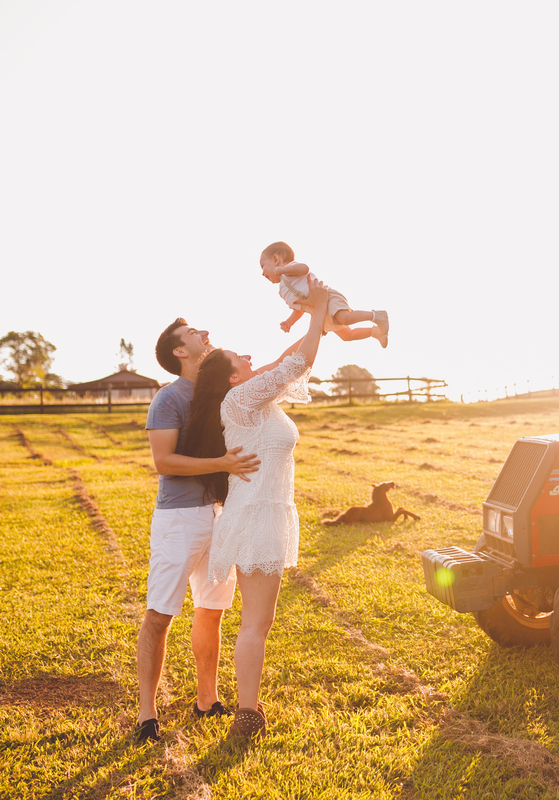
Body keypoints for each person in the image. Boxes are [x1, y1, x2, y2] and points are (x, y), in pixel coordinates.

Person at [180, 278, 331, 742]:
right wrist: (321, 306)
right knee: (256, 624)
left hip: (262, 513)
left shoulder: (255, 399)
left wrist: (316, 319)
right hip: (256, 518)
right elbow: (297, 362)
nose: (249, 357)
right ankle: (247, 714)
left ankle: (248, 711)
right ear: (231, 377)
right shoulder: (241, 399)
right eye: (240, 358)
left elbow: (291, 359)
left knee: (257, 623)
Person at [135, 319, 261, 745]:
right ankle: (146, 715)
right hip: (179, 519)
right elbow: (164, 462)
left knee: (212, 609)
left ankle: (206, 699)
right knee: (160, 615)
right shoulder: (167, 399)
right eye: (193, 333)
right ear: (179, 351)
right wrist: (222, 464)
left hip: (221, 514)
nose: (204, 333)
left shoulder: (224, 391)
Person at [259, 240, 389, 348]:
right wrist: (289, 322)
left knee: (345, 318)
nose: (262, 273)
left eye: (263, 266)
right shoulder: (282, 291)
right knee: (347, 335)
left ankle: (377, 315)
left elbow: (304, 268)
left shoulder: (290, 270)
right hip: (319, 312)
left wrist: (283, 270)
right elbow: (299, 308)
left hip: (327, 298)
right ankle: (375, 332)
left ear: (276, 259)